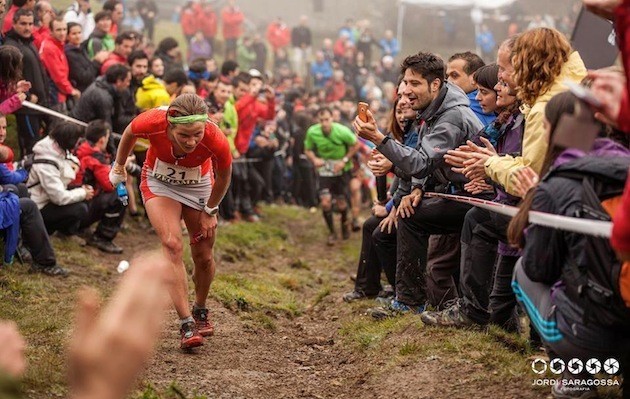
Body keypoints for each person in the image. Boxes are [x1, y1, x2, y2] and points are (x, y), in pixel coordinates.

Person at [510, 91, 630, 398]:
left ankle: (576, 378)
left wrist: (534, 201)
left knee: (522, 271)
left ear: (554, 130)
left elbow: (539, 266)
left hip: (594, 336)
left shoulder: (556, 185)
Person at [354, 52, 483, 316]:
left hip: (477, 198)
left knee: (412, 218)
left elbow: (422, 162)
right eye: (406, 83)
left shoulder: (452, 116)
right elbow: (427, 164)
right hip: (451, 194)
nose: (407, 91)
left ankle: (410, 301)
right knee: (404, 215)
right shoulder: (431, 111)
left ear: (435, 85)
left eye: (415, 84)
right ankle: (406, 297)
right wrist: (417, 188)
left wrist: (379, 139)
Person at [109, 94, 232, 350]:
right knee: (172, 245)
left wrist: (211, 209)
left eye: (197, 134)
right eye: (183, 135)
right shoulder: (153, 121)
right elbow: (129, 133)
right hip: (160, 182)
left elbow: (224, 175)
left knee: (204, 255)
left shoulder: (214, 136)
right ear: (169, 126)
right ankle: (186, 324)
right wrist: (119, 166)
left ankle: (200, 308)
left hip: (199, 185)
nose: (191, 141)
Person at [26, 121, 92, 239]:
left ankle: (70, 231)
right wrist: (82, 193)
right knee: (80, 208)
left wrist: (75, 165)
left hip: (47, 196)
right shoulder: (46, 164)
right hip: (39, 205)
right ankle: (52, 231)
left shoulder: (54, 145)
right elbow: (59, 197)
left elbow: (70, 158)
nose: (78, 144)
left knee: (85, 190)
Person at [305, 107, 361, 245]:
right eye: (321, 120)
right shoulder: (312, 132)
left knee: (342, 204)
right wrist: (314, 159)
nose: (324, 123)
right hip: (324, 170)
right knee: (325, 202)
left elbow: (356, 145)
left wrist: (344, 161)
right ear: (317, 120)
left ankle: (344, 223)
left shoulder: (342, 131)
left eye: (327, 120)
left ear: (332, 119)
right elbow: (307, 149)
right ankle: (332, 233)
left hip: (341, 171)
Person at [4, 9, 49, 157]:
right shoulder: (10, 46)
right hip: (25, 107)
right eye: (23, 23)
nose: (28, 27)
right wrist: (28, 96)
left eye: (30, 24)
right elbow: (9, 76)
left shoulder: (29, 42)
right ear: (14, 23)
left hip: (39, 105)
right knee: (32, 146)